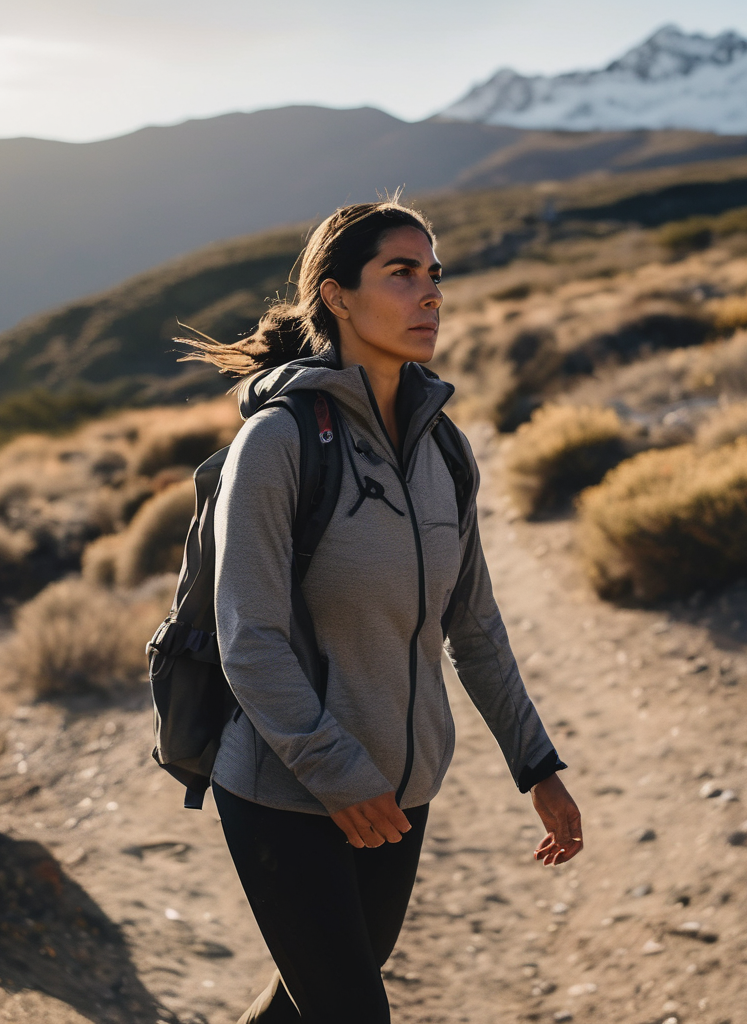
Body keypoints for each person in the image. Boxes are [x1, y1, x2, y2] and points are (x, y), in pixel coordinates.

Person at [183, 199, 582, 1024]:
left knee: (305, 1011)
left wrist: (537, 766)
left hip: (398, 794)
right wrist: (341, 775)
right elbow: (247, 642)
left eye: (433, 275)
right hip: (284, 793)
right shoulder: (280, 442)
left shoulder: (444, 447)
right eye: (401, 274)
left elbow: (473, 627)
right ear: (336, 296)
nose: (429, 294)